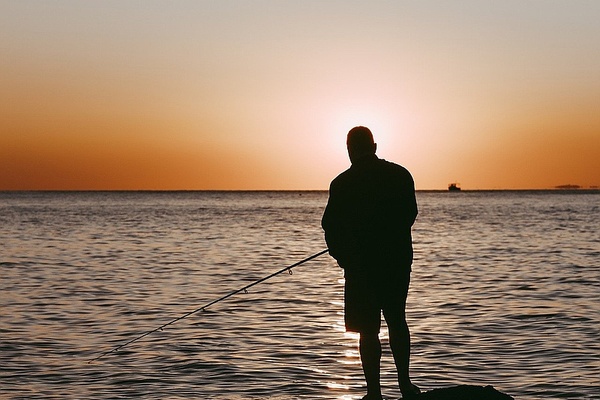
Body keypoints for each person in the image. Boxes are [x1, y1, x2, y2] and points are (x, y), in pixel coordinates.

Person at [322, 126, 420, 399]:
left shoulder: (341, 183)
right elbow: (409, 215)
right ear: (374, 147)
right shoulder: (400, 175)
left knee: (367, 331)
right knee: (397, 321)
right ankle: (405, 386)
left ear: (349, 150)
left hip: (360, 268)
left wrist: (343, 257)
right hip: (396, 263)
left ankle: (374, 393)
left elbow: (329, 227)